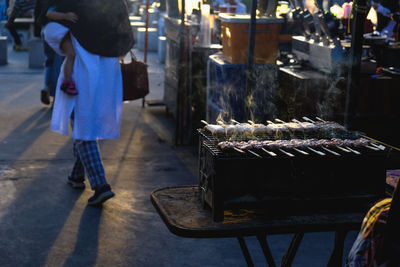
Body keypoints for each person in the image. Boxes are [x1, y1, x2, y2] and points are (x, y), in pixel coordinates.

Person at [44, 0, 134, 205]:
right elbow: (127, 36)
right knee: (88, 123)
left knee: (82, 126)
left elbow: (51, 28)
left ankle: (100, 185)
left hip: (82, 70)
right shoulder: (116, 4)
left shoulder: (75, 3)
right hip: (108, 70)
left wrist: (67, 46)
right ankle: (76, 176)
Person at [34, 0, 64, 105]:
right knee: (58, 64)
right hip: (58, 32)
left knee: (49, 60)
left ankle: (46, 87)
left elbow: (37, 12)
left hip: (45, 29)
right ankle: (55, 94)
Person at [45, 4, 78, 95]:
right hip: (59, 30)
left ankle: (65, 83)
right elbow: (49, 13)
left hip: (65, 31)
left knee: (70, 56)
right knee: (70, 55)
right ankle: (66, 82)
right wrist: (66, 16)